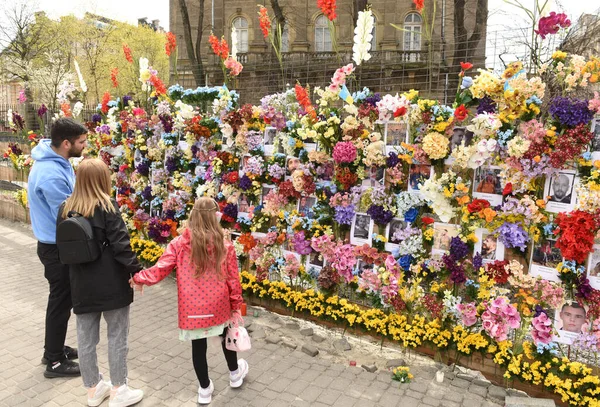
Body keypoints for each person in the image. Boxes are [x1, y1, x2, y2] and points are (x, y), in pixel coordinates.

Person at [131, 197, 248, 405]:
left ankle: (204, 389)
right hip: (219, 305)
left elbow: (161, 269)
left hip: (191, 308)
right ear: (215, 216)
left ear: (193, 215)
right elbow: (233, 280)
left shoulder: (179, 244)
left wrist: (139, 278)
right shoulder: (225, 245)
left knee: (198, 347)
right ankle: (235, 374)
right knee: (226, 338)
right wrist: (236, 305)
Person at [57, 159, 144, 407]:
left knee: (86, 340)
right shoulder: (107, 206)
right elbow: (121, 245)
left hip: (81, 285)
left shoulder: (65, 209)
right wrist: (137, 273)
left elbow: (60, 250)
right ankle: (118, 390)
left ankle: (93, 389)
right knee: (117, 337)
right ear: (103, 179)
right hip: (112, 284)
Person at [28, 117, 88, 378]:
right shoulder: (51, 174)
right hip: (56, 248)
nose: (85, 146)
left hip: (56, 245)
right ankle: (54, 361)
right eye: (81, 142)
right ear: (66, 143)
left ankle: (53, 349)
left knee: (62, 301)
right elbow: (68, 215)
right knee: (60, 302)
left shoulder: (58, 161)